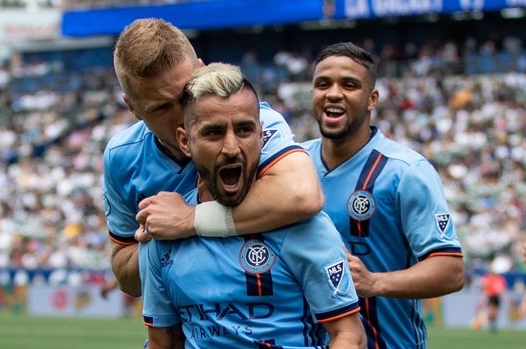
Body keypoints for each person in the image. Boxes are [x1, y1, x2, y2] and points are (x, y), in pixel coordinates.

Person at [140, 62, 366, 348]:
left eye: (244, 130)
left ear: (261, 135)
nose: (232, 147)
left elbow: (349, 336)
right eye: (214, 133)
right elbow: (162, 342)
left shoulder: (303, 226)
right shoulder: (161, 232)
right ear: (185, 141)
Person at [104, 18, 324, 297]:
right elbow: (126, 276)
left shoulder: (251, 123)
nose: (181, 115)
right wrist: (158, 238)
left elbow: (303, 195)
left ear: (201, 69)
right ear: (132, 107)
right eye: (160, 108)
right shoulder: (121, 156)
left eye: (186, 94)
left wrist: (190, 219)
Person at [301, 41, 465, 348]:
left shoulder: (406, 171)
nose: (333, 93)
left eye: (349, 85)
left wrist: (374, 282)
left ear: (371, 98)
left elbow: (451, 270)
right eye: (323, 84)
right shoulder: (292, 165)